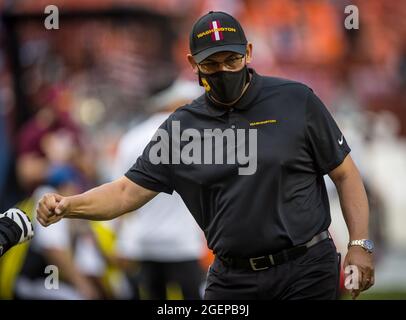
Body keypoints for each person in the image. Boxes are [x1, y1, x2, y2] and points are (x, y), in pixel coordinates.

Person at [37, 11, 374, 300]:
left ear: (249, 53)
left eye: (232, 59)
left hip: (306, 266)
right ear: (192, 63)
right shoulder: (181, 128)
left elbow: (345, 173)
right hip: (233, 276)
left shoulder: (296, 100)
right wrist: (69, 205)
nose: (224, 70)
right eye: (211, 63)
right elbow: (126, 192)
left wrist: (359, 244)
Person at [113, 79, 206, 300]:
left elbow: (118, 194)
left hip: (142, 244)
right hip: (182, 244)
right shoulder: (194, 136)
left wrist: (121, 243)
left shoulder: (130, 139)